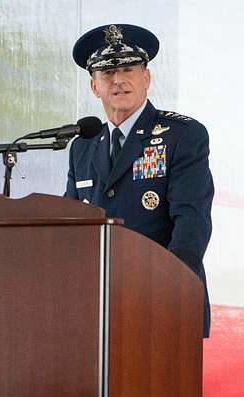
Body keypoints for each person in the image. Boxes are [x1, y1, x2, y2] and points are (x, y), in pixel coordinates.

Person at [66, 24, 214, 337]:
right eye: (107, 73)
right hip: (98, 305)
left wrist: (170, 289)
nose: (118, 80)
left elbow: (192, 222)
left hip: (162, 300)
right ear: (95, 87)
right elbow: (70, 226)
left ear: (145, 78)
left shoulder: (182, 136)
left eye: (129, 69)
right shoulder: (82, 146)